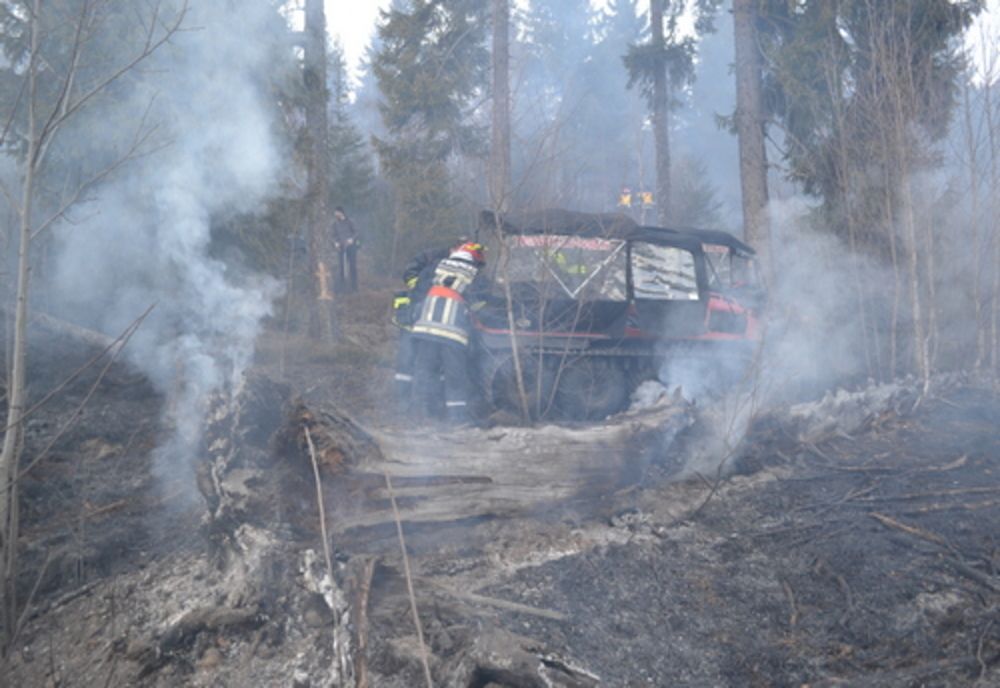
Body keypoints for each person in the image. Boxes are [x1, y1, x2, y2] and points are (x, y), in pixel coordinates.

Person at [410, 242, 487, 424]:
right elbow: (480, 302)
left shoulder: (435, 267)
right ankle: (456, 419)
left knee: (424, 372)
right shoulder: (474, 275)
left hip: (425, 328)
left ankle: (419, 416)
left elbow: (419, 291)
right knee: (455, 377)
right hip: (452, 334)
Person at [391, 240, 465, 409]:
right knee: (407, 363)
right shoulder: (432, 259)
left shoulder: (445, 265)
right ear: (453, 248)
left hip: (426, 324)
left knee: (428, 366)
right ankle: (404, 403)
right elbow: (412, 278)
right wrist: (421, 290)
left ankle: (426, 407)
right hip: (415, 321)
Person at [332, 207, 360, 293]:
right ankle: (342, 288)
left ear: (341, 213)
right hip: (341, 248)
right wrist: (335, 242)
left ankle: (354, 288)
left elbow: (356, 232)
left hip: (351, 247)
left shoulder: (350, 222)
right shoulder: (335, 224)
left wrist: (352, 239)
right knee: (341, 267)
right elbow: (333, 235)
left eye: (336, 213)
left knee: (352, 267)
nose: (335, 215)